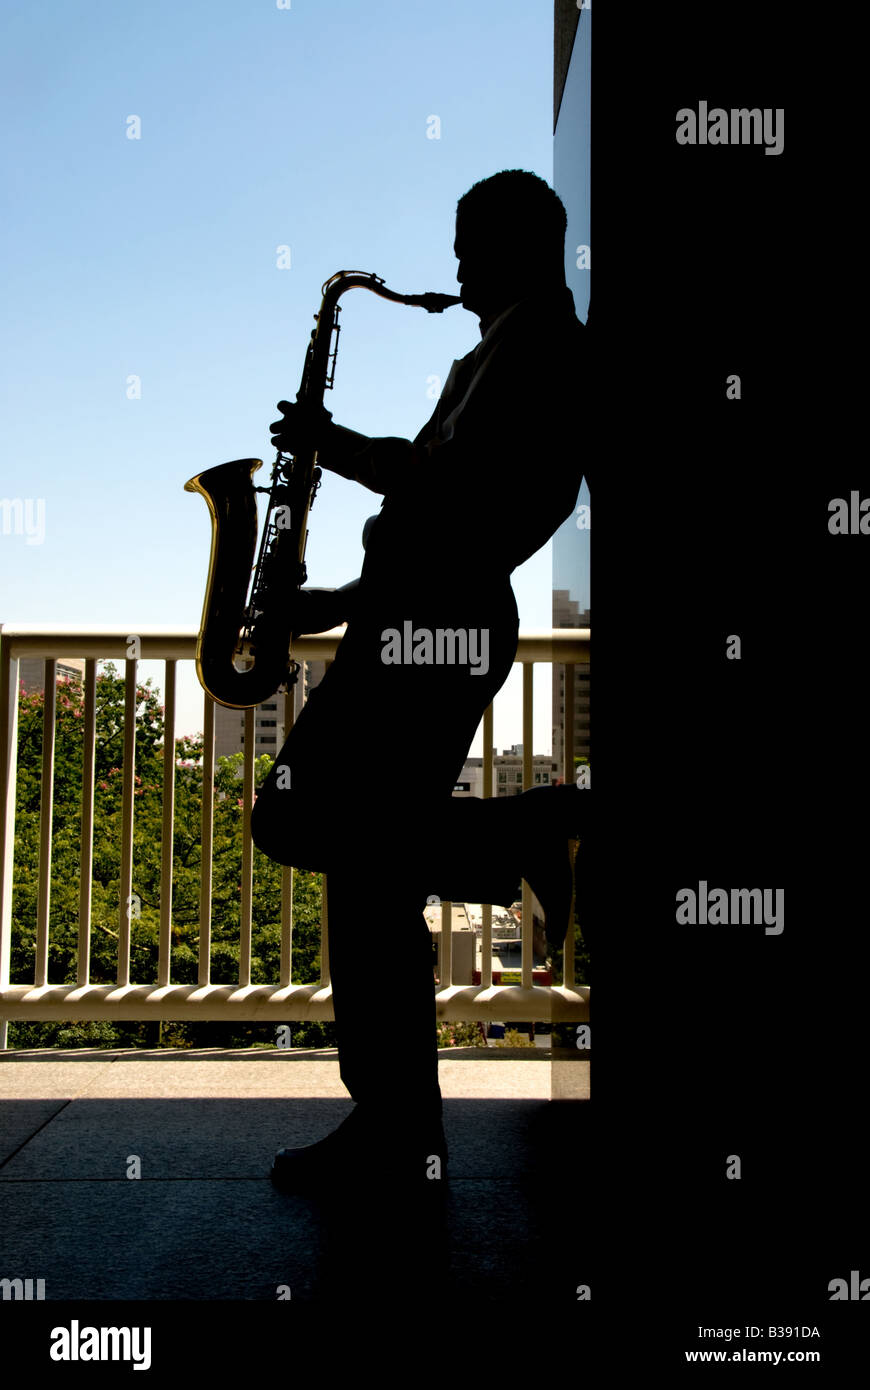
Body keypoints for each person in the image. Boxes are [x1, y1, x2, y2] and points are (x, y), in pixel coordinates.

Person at [250, 169, 589, 1195]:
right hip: (414, 616)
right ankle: (398, 1124)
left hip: (436, 629)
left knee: (297, 818)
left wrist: (333, 448)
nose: (451, 267)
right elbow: (432, 528)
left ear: (517, 245)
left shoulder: (544, 347)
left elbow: (452, 494)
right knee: (370, 867)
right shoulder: (495, 351)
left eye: (466, 245)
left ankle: (529, 829)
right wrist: (337, 603)